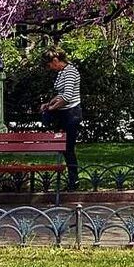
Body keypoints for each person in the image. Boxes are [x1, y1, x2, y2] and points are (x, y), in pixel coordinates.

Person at [40, 47, 82, 191]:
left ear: (56, 60)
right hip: (63, 113)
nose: (49, 68)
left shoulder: (70, 71)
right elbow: (60, 94)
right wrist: (49, 104)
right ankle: (71, 179)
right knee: (64, 148)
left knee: (68, 148)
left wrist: (52, 108)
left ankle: (73, 180)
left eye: (49, 64)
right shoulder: (61, 73)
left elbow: (67, 96)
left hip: (71, 114)